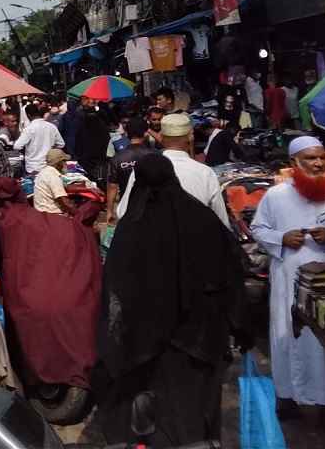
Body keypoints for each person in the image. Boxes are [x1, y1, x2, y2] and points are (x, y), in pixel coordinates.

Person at [96, 154, 247, 446]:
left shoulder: (133, 226)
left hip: (148, 341)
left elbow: (117, 285)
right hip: (199, 338)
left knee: (155, 416)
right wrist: (238, 325)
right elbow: (231, 271)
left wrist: (115, 337)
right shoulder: (202, 217)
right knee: (194, 414)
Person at [250, 136, 325, 430]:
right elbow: (258, 228)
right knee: (286, 338)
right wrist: (281, 238)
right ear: (295, 163)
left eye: (321, 158)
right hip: (288, 279)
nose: (318, 163)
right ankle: (287, 397)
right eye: (310, 158)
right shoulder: (276, 195)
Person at [115, 114, 230, 230]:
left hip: (156, 243)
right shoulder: (205, 173)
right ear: (190, 137)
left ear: (162, 137)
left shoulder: (145, 168)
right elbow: (222, 222)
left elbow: (122, 212)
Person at [105, 117, 157, 217]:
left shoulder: (117, 159)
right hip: (151, 208)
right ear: (146, 133)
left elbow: (112, 187)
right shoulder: (155, 156)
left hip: (127, 208)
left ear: (126, 133)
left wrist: (109, 211)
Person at [13, 104, 65, 175]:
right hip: (49, 166)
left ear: (28, 115)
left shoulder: (29, 129)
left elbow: (17, 146)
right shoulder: (51, 126)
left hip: (33, 167)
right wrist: (50, 146)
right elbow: (61, 144)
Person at [74, 100, 111, 187]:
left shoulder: (83, 125)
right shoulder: (102, 125)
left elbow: (78, 143)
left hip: (88, 158)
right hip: (99, 158)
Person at [33, 148, 75, 215]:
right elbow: (64, 201)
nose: (66, 163)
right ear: (59, 162)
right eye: (64, 161)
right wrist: (77, 214)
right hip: (50, 213)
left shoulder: (45, 171)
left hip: (41, 210)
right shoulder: (53, 176)